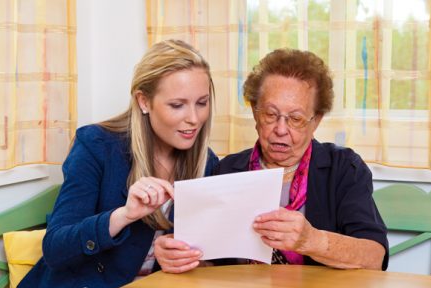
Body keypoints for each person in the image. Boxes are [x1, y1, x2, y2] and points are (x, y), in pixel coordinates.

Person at [154, 48, 389, 273]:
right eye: (270, 114)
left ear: (315, 120)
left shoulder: (343, 168)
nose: (280, 129)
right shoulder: (227, 170)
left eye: (296, 118)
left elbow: (374, 257)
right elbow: (212, 265)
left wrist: (312, 240)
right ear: (256, 113)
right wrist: (181, 258)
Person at [17, 39, 219, 288]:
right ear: (144, 101)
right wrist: (123, 215)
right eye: (177, 105)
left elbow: (203, 251)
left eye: (202, 102)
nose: (194, 118)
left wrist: (180, 256)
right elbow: (55, 248)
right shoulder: (96, 146)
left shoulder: (206, 162)